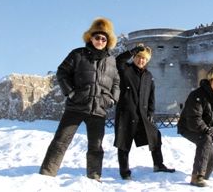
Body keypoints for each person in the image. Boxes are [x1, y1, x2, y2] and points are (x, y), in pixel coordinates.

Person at [39, 17, 120, 182]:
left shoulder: (111, 60)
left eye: (104, 38)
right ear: (90, 38)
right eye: (97, 37)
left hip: (98, 109)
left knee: (96, 147)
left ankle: (94, 176)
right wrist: (71, 93)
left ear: (108, 41)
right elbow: (62, 72)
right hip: (75, 106)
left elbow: (116, 82)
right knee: (60, 141)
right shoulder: (78, 54)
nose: (100, 41)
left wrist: (112, 99)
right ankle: (47, 174)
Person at [114, 43, 175, 180]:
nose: (141, 60)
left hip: (143, 114)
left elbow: (151, 95)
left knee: (155, 137)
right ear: (135, 57)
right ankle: (124, 171)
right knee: (124, 142)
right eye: (139, 57)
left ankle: (158, 164)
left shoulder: (148, 75)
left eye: (144, 59)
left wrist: (151, 112)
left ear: (147, 61)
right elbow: (118, 60)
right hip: (126, 113)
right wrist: (132, 51)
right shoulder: (126, 69)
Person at [177, 64, 213, 187]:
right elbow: (194, 119)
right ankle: (197, 177)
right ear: (211, 80)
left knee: (212, 163)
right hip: (188, 127)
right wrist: (208, 131)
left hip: (206, 130)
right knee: (204, 139)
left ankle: (203, 176)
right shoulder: (197, 95)